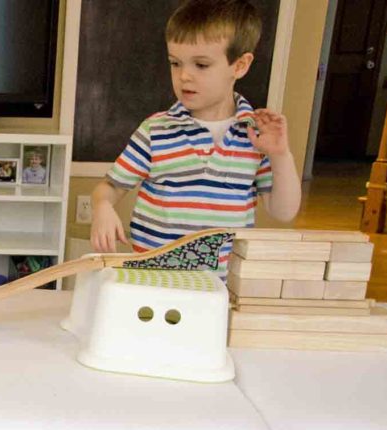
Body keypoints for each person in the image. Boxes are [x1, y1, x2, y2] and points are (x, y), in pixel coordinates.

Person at [90, 0, 301, 268]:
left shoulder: (256, 136)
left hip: (219, 284)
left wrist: (281, 155)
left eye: (201, 65)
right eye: (175, 63)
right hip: (154, 278)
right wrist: (102, 207)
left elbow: (284, 212)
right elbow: (109, 187)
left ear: (240, 65)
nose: (184, 76)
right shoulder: (156, 130)